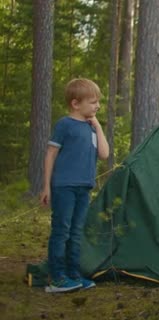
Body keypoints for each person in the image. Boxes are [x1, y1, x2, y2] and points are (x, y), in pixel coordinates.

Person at [39, 78, 109, 293]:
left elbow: (105, 154)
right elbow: (51, 154)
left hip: (84, 187)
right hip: (64, 186)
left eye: (98, 102)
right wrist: (46, 186)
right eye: (93, 102)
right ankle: (57, 277)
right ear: (76, 104)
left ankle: (73, 274)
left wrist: (97, 125)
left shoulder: (91, 129)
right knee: (62, 230)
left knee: (77, 232)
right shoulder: (64, 125)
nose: (97, 106)